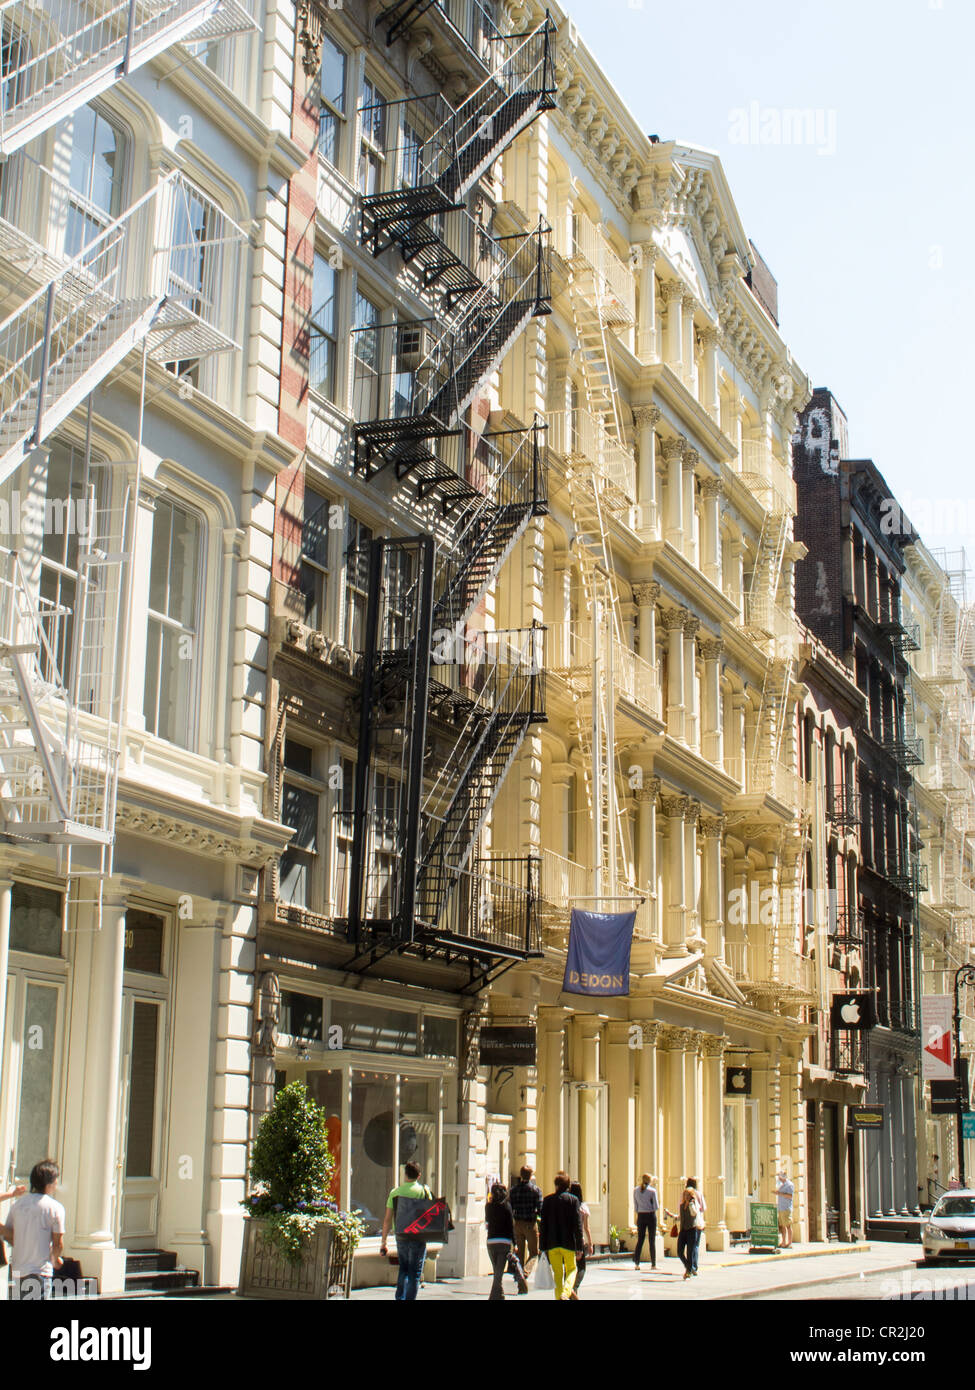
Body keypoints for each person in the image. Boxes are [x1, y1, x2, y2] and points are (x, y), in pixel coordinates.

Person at [0, 1161, 65, 1300]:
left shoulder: (17, 1205)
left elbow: (9, 1235)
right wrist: (55, 1259)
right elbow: (58, 1243)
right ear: (50, 1183)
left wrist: (23, 1243)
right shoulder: (55, 1208)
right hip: (40, 1270)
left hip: (19, 1268)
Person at [380, 1161, 432, 1301]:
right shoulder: (423, 1191)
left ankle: (400, 1297)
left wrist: (383, 1241)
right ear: (419, 1175)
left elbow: (387, 1219)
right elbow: (431, 1212)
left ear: (405, 1175)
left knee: (403, 1269)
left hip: (401, 1235)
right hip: (418, 1235)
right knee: (414, 1272)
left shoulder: (395, 1193)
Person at [539, 1171, 583, 1301]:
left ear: (556, 1185)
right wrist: (579, 1247)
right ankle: (565, 1292)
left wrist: (542, 1246)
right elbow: (577, 1225)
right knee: (572, 1269)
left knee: (557, 1275)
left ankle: (559, 1297)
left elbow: (543, 1225)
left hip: (552, 1243)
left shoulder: (547, 1200)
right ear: (568, 1186)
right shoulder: (573, 1200)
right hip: (568, 1243)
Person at [485, 1182, 528, 1299]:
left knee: (496, 1271)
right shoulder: (507, 1206)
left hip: (491, 1241)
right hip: (504, 1242)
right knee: (498, 1273)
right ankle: (494, 1296)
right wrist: (515, 1243)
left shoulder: (488, 1206)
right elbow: (510, 1227)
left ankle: (500, 1295)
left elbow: (487, 1222)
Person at [509, 1165, 543, 1276]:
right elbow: (540, 1208)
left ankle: (518, 1273)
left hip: (517, 1223)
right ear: (531, 1175)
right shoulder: (535, 1190)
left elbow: (511, 1206)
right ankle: (525, 1272)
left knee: (520, 1253)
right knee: (534, 1252)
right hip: (530, 1223)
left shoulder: (514, 1190)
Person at [671, 1177, 704, 1281]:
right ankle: (688, 1266)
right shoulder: (681, 1206)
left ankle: (688, 1271)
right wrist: (672, 1215)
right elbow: (680, 1216)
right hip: (683, 1230)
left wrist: (691, 1204)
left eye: (688, 1195)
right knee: (679, 1252)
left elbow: (694, 1213)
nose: (685, 1197)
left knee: (690, 1252)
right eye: (684, 1195)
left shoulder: (693, 1204)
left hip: (692, 1230)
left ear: (691, 1196)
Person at [567, 1181, 593, 1300]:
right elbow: (586, 1228)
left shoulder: (568, 1205)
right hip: (579, 1240)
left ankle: (569, 1288)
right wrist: (590, 1243)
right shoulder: (583, 1207)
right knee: (581, 1267)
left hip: (567, 1239)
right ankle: (574, 1287)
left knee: (569, 1266)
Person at [632, 1173, 659, 1269]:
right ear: (650, 1181)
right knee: (652, 1240)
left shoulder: (635, 1190)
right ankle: (653, 1264)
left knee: (640, 1239)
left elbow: (635, 1206)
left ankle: (637, 1263)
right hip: (650, 1215)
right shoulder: (652, 1191)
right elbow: (656, 1206)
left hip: (640, 1215)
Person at [776, 1170, 795, 1248]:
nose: (779, 1178)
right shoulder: (781, 1184)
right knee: (783, 1226)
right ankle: (783, 1242)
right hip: (781, 1207)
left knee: (788, 1225)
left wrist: (780, 1194)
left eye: (780, 1176)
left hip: (786, 1208)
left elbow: (790, 1196)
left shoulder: (789, 1185)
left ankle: (790, 1243)